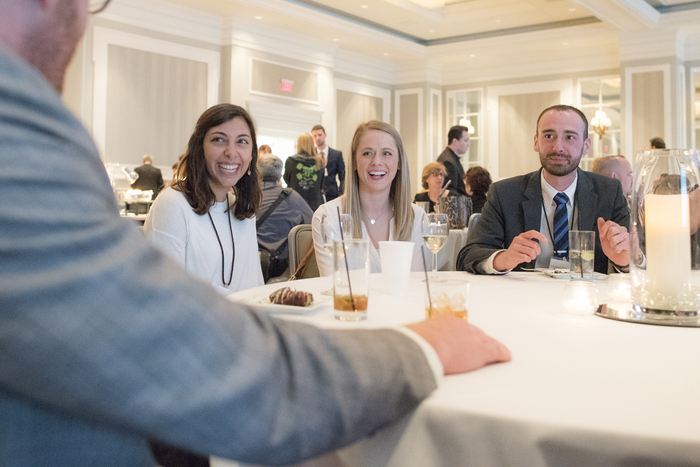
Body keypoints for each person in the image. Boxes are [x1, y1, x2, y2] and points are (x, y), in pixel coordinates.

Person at [0, 0, 511, 465]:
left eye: (243, 142)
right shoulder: (26, 141)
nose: (86, 12)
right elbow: (187, 355)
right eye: (220, 141)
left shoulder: (240, 212)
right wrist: (422, 348)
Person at [457, 104, 630, 275]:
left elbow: (637, 258)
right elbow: (469, 255)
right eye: (549, 135)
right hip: (525, 298)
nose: (558, 147)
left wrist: (624, 261)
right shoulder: (505, 193)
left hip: (587, 297)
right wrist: (503, 258)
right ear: (536, 142)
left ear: (586, 145)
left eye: (569, 137)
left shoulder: (609, 192)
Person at [144, 104, 264, 295]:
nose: (231, 152)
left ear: (252, 154)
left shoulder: (243, 209)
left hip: (243, 322)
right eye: (219, 140)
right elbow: (166, 292)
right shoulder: (172, 204)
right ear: (200, 148)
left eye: (242, 141)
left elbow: (256, 286)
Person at [312, 121, 427, 276]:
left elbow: (416, 285)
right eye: (367, 153)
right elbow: (334, 288)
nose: (377, 162)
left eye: (386, 153)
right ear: (354, 162)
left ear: (399, 162)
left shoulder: (416, 217)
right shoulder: (328, 217)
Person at [257, 153, 313, 280]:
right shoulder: (292, 197)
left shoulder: (247, 197)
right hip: (281, 269)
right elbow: (314, 223)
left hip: (250, 264)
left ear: (258, 174)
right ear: (280, 176)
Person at [284, 133, 325, 211]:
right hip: (315, 204)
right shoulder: (319, 162)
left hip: (295, 202)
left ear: (298, 144)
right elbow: (321, 184)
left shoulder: (291, 161)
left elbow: (286, 179)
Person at [312, 124, 346, 202]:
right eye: (315, 136)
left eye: (320, 135)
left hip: (333, 193)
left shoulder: (336, 154)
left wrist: (341, 193)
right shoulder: (311, 155)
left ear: (325, 135)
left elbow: (343, 176)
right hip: (315, 195)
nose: (318, 138)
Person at [437, 125, 470, 196]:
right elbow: (451, 192)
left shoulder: (450, 157)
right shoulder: (448, 161)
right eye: (466, 140)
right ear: (455, 141)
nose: (468, 144)